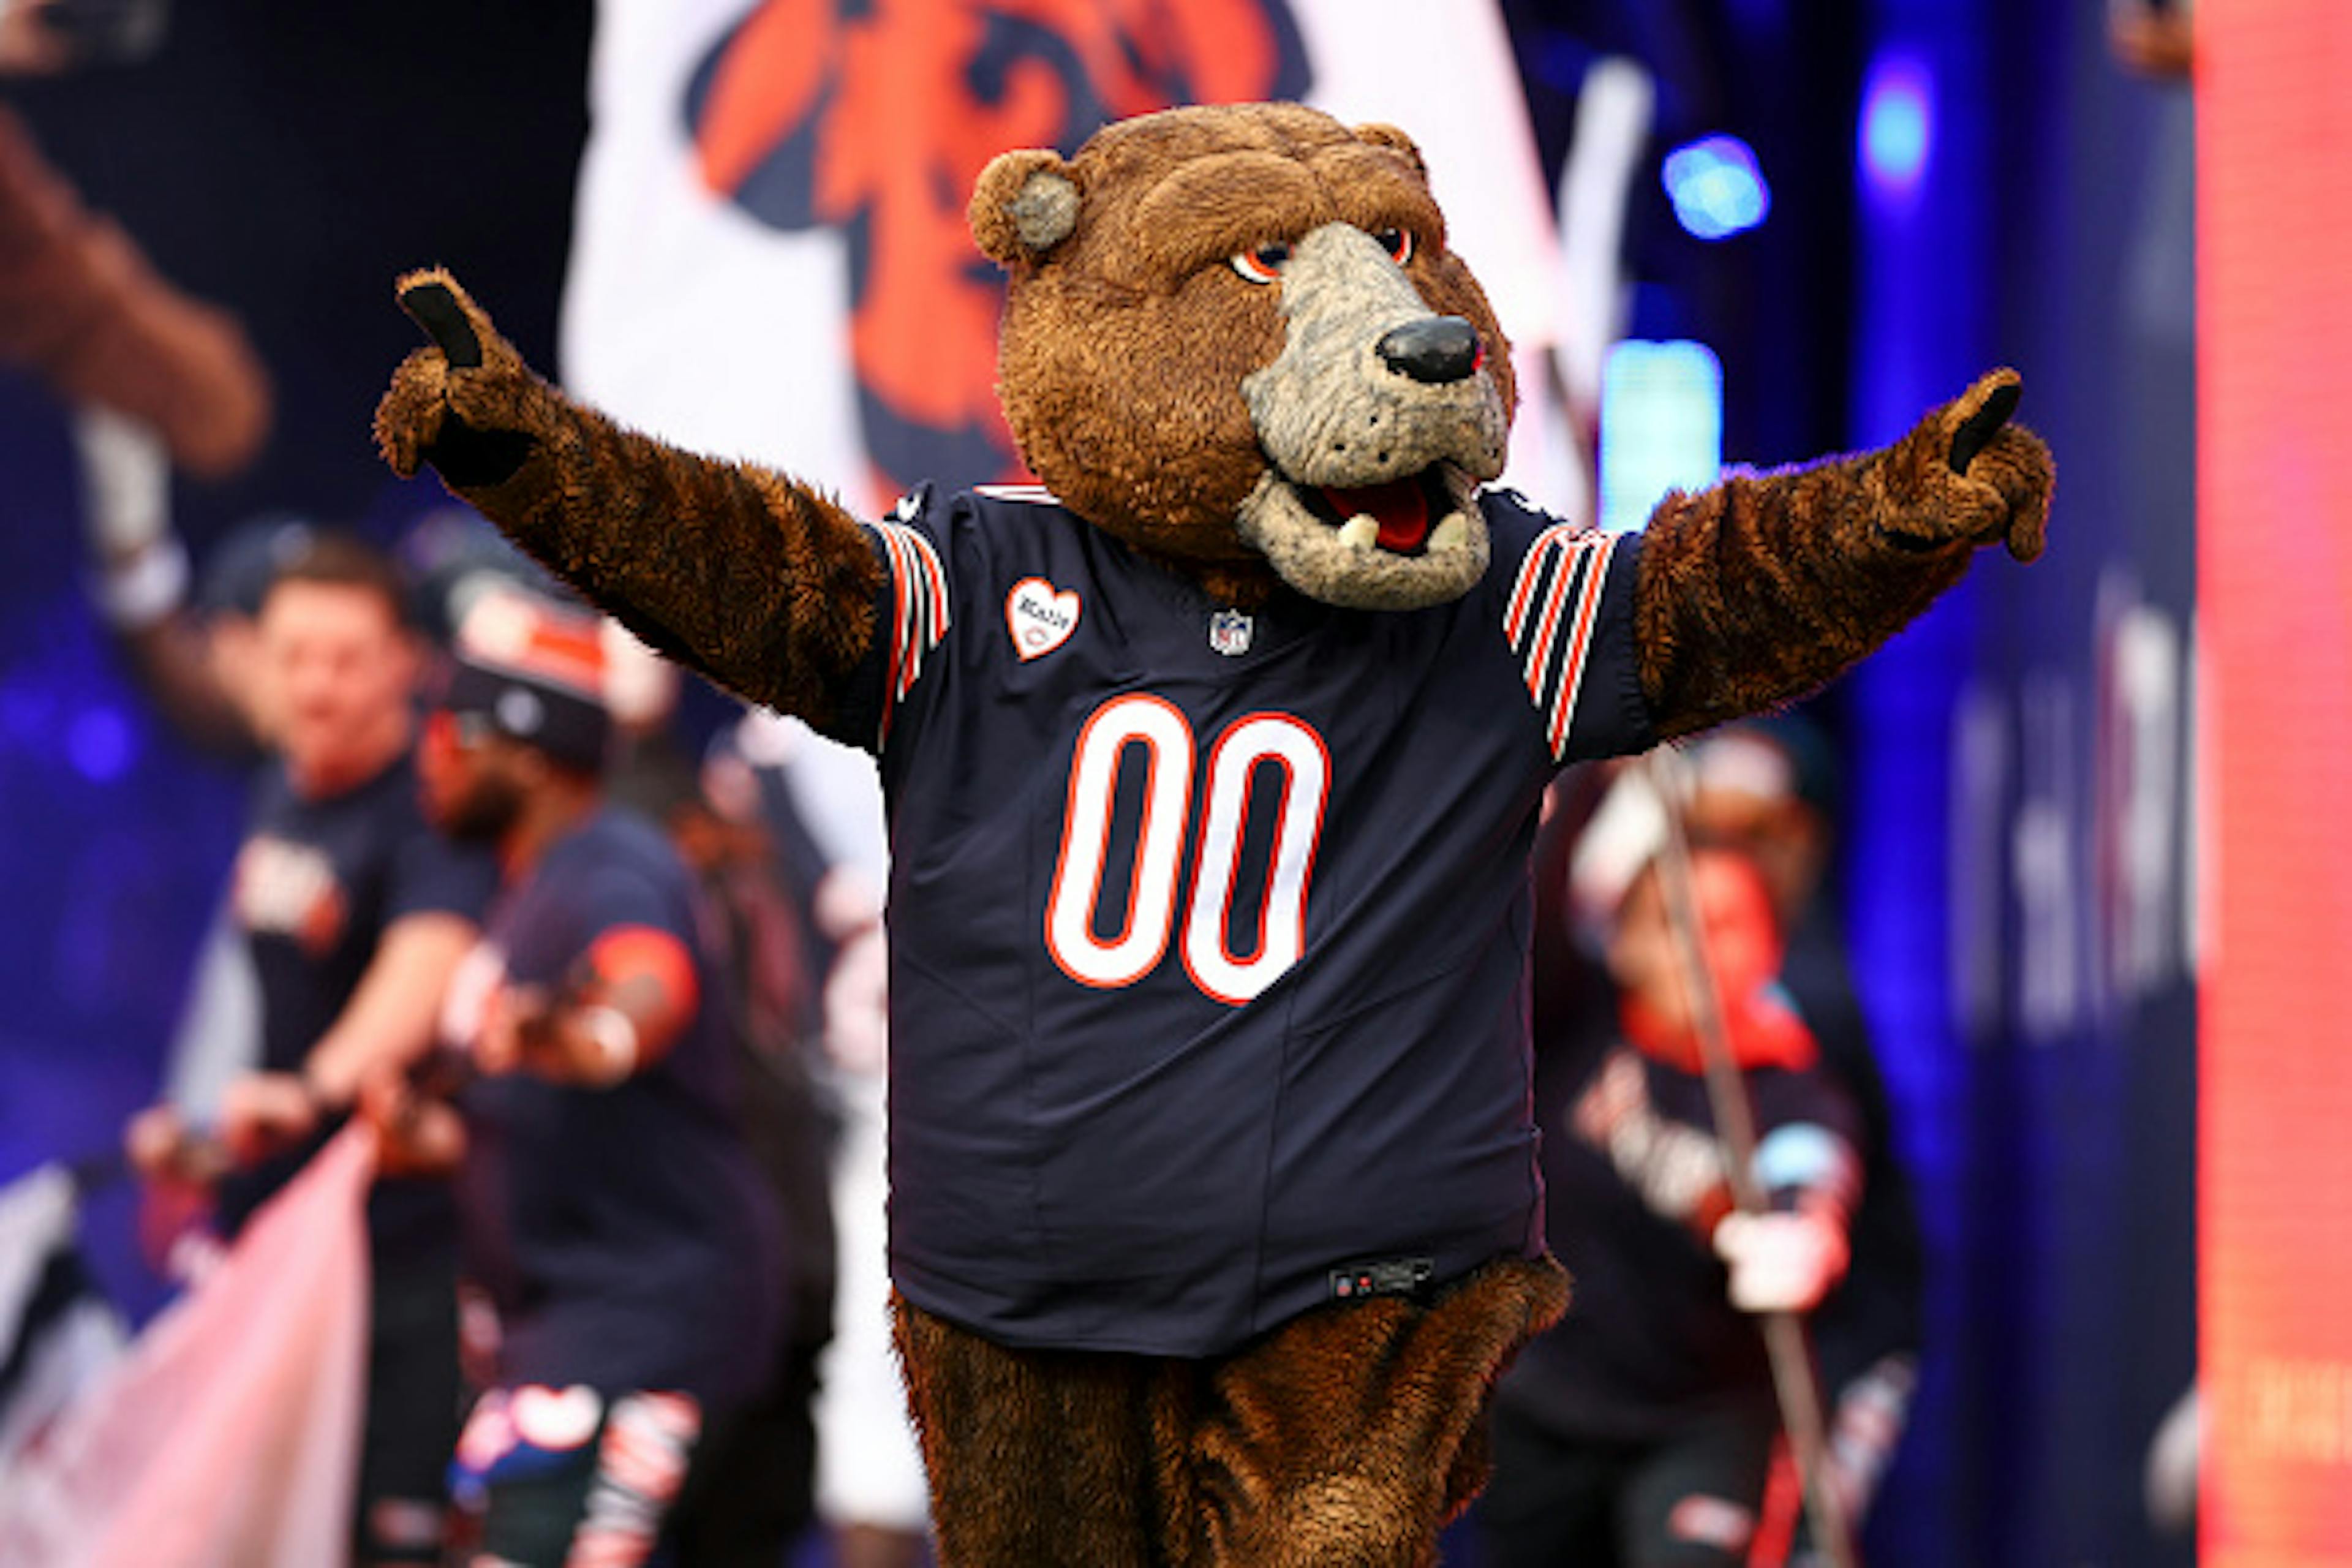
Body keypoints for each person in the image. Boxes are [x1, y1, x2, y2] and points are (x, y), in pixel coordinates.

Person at [372, 590, 783, 1567]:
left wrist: (598, 1030)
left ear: (523, 747)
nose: (427, 753)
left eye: (450, 730)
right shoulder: (532, 885)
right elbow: (535, 1112)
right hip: (566, 1333)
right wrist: (434, 1138)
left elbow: (646, 980)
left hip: (633, 1329)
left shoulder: (611, 863)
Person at [118, 530, 496, 1566]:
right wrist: (202, 1135)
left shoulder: (436, 806)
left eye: (344, 658)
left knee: (379, 1537)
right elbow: (257, 991)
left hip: (406, 1249)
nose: (315, 686)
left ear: (406, 665)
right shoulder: (283, 787)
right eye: (292, 657)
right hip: (279, 1234)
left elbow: (424, 967)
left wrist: (312, 1089)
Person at [1480, 771, 1864, 1568]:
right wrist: (1597, 770)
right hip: (1546, 1408)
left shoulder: (1781, 1080)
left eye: (1729, 926)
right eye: (1672, 925)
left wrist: (1801, 1228)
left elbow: (1812, 1166)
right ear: (1622, 941)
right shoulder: (1571, 1024)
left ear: (1771, 944)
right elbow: (1539, 895)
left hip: (1701, 1422)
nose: (1698, 952)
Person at [1681, 718, 1926, 1553]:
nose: (1723, 863)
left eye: (1751, 838)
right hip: (1702, 1368)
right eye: (1698, 837)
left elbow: (1813, 1148)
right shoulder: (1640, 962)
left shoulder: (1804, 992)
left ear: (1803, 847)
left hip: (1837, 1343)